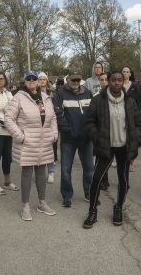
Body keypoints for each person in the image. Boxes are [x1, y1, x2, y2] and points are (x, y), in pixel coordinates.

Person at [83, 71, 141, 228]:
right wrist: (97, 137)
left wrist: (135, 140)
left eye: (119, 80)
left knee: (123, 180)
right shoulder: (98, 100)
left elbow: (138, 122)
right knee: (96, 179)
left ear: (123, 82)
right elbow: (89, 122)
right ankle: (92, 211)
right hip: (106, 146)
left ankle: (118, 208)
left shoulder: (130, 101)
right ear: (108, 82)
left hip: (124, 147)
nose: (117, 82)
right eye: (113, 80)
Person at [4, 70, 58, 221]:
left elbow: (52, 117)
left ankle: (42, 203)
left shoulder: (46, 98)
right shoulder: (19, 98)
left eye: (35, 78)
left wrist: (54, 134)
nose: (33, 81)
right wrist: (20, 136)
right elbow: (8, 119)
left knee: (42, 174)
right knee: (27, 174)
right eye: (29, 79)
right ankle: (25, 206)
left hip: (44, 142)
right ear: (25, 81)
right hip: (28, 142)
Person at [53, 69, 94, 208]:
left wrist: (90, 130)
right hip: (68, 139)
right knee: (65, 169)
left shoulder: (88, 93)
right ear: (68, 79)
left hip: (86, 139)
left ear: (80, 79)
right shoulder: (60, 94)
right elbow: (58, 115)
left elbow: (93, 114)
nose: (75, 82)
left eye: (78, 80)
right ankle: (67, 195)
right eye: (73, 79)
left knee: (89, 168)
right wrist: (69, 130)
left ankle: (89, 193)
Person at [38, 71, 58, 183]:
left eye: (43, 79)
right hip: (38, 124)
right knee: (39, 149)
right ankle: (40, 173)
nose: (42, 81)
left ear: (46, 81)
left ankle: (51, 172)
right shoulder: (33, 92)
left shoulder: (53, 92)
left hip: (50, 123)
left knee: (51, 149)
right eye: (40, 79)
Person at [122, 66, 141, 171]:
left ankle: (130, 161)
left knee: (131, 138)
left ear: (130, 74)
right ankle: (121, 160)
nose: (125, 73)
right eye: (124, 71)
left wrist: (139, 112)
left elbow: (139, 99)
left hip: (132, 115)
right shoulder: (118, 85)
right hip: (120, 115)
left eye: (127, 72)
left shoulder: (135, 85)